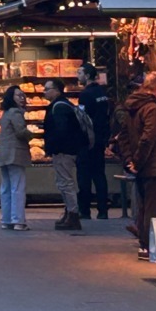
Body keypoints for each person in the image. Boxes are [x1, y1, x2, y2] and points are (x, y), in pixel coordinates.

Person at [116, 72, 156, 260]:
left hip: (144, 167)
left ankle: (147, 245)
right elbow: (148, 138)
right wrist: (137, 160)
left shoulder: (132, 108)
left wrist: (130, 161)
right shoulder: (153, 108)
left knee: (145, 206)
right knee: (155, 208)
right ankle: (150, 247)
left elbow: (124, 137)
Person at [43, 78, 84, 231]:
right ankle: (69, 213)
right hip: (66, 150)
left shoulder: (59, 107)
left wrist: (53, 146)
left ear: (57, 90)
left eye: (47, 89)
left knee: (65, 183)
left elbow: (61, 131)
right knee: (64, 182)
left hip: (64, 151)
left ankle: (73, 215)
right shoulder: (64, 105)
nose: (44, 91)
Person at [76, 63, 111, 220]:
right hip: (100, 139)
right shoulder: (102, 93)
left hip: (88, 140)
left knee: (84, 176)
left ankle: (85, 210)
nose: (78, 76)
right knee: (99, 175)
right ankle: (103, 210)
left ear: (87, 76)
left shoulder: (85, 95)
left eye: (80, 73)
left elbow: (83, 119)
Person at [0, 85, 31, 231]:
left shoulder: (5, 113)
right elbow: (21, 132)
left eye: (22, 95)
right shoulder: (16, 112)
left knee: (6, 187)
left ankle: (6, 219)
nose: (22, 98)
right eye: (18, 95)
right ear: (11, 98)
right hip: (15, 153)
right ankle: (18, 221)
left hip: (3, 153)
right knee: (17, 187)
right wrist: (33, 134)